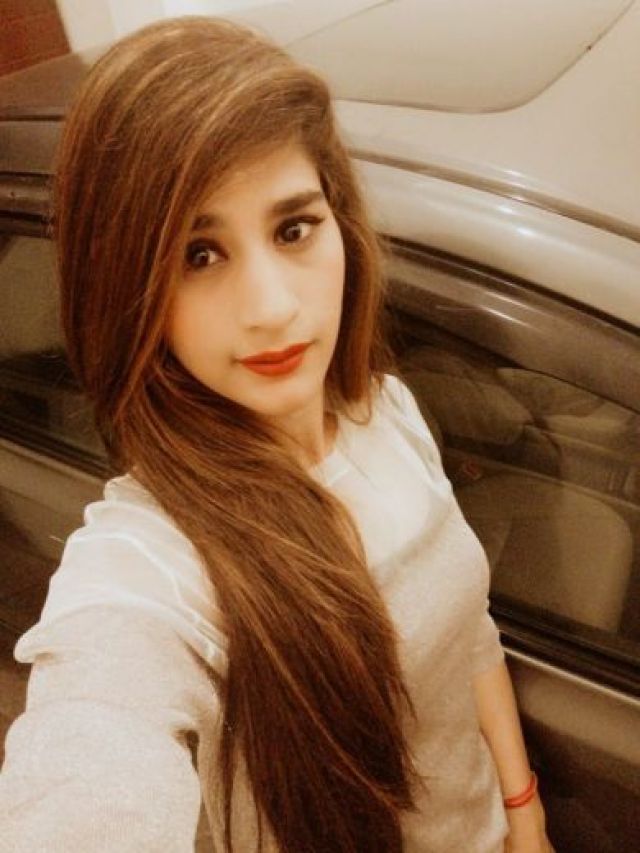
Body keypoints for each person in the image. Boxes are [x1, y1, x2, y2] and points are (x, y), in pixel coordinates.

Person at [0, 17, 553, 853]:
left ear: (339, 224)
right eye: (198, 254)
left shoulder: (387, 413)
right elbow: (94, 746)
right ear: (129, 285)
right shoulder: (152, 564)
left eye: (293, 229)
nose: (271, 307)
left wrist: (525, 814)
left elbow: (469, 633)